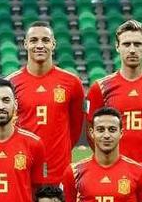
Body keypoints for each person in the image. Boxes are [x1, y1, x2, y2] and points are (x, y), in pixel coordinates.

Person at [86, 19, 142, 195]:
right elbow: (91, 134)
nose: (132, 49)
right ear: (117, 47)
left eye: (137, 44)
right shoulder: (100, 88)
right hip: (113, 176)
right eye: (126, 44)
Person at [8, 21, 85, 185]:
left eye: (45, 40)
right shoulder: (11, 84)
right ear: (25, 44)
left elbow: (76, 128)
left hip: (59, 172)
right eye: (34, 40)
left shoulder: (72, 83)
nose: (40, 45)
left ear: (53, 44)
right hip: (24, 171)